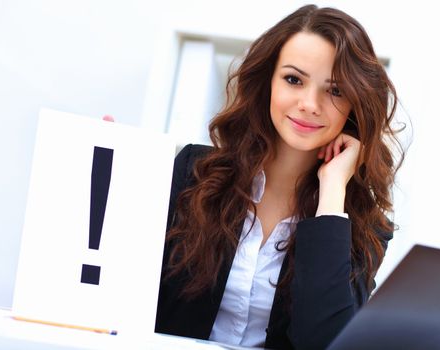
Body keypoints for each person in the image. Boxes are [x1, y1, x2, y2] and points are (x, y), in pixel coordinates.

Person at [108, 4, 403, 350]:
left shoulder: (362, 223)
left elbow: (324, 341)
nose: (310, 103)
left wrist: (333, 190)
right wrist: (111, 181)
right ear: (268, 83)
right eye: (294, 79)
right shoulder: (193, 172)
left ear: (356, 102)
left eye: (335, 90)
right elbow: (122, 291)